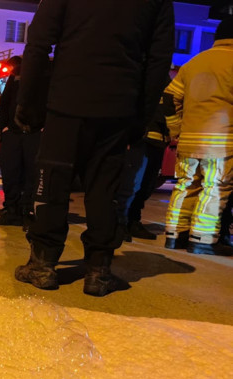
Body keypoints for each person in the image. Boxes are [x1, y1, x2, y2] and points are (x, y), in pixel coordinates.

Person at [13, 0, 174, 296]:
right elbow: (159, 59)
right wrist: (142, 116)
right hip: (117, 106)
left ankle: (42, 263)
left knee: (52, 182)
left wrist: (28, 101)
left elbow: (38, 43)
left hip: (67, 99)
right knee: (105, 187)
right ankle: (99, 270)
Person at [163, 16, 233, 256]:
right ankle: (201, 240)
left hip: (189, 141)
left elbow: (169, 100)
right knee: (214, 188)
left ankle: (175, 236)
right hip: (224, 143)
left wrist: (177, 129)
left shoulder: (194, 63)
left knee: (185, 186)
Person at [0, 56, 46, 230]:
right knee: (11, 172)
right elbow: (6, 101)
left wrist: (45, 126)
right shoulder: (16, 76)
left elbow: (50, 101)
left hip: (33, 132)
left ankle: (26, 211)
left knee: (31, 174)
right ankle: (13, 210)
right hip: (15, 132)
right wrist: (5, 127)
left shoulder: (45, 75)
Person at [117, 86, 172, 242]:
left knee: (147, 186)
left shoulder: (167, 81)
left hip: (159, 141)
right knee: (132, 185)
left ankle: (133, 221)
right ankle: (120, 223)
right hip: (143, 139)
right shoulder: (146, 76)